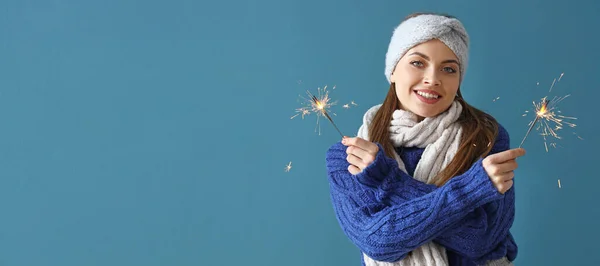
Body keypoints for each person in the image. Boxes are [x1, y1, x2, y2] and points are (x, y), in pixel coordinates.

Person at [325, 12, 526, 266]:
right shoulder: (349, 156)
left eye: (449, 69)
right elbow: (378, 242)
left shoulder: (486, 138)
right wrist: (472, 188)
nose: (433, 79)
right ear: (393, 70)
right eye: (418, 63)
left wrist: (387, 182)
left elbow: (480, 240)